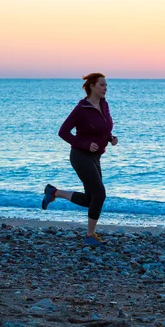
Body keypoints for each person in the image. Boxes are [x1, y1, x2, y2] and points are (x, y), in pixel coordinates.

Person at [42, 72, 118, 245]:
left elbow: (101, 130)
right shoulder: (81, 109)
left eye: (106, 85)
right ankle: (90, 236)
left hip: (95, 157)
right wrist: (84, 144)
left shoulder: (104, 105)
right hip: (80, 156)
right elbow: (63, 132)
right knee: (100, 194)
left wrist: (110, 138)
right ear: (92, 86)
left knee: (91, 199)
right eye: (102, 85)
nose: (105, 88)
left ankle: (54, 192)